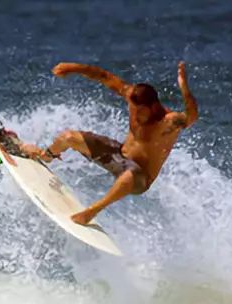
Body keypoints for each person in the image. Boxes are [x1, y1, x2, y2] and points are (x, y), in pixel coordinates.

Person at [20, 61, 198, 225]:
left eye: (140, 112)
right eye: (133, 110)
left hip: (140, 178)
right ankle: (45, 155)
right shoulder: (131, 96)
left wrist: (183, 86)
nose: (135, 115)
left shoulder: (168, 122)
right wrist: (73, 68)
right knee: (69, 137)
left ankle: (91, 212)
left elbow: (191, 116)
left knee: (129, 174)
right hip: (118, 155)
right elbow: (104, 76)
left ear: (152, 107)